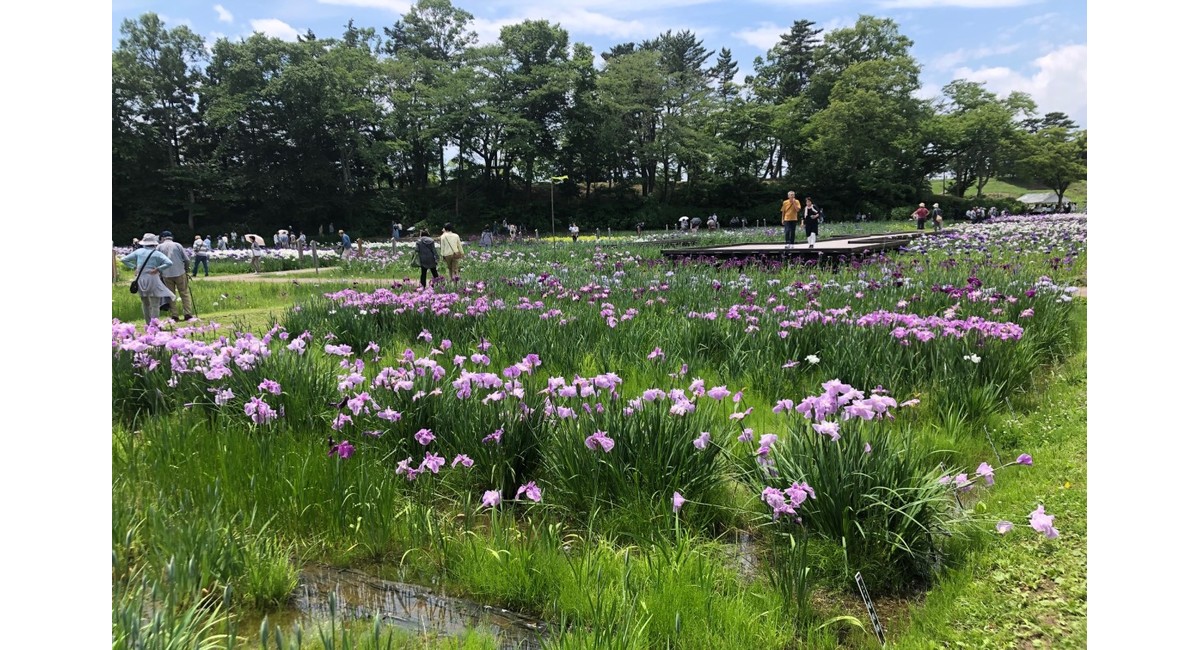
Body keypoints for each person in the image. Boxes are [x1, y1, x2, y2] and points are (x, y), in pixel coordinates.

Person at [122, 233, 177, 325]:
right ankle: (154, 325)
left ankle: (148, 324)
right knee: (155, 304)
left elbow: (124, 259)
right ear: (154, 243)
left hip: (140, 279)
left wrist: (134, 267)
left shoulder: (138, 252)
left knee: (145, 303)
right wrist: (158, 269)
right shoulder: (157, 254)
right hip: (153, 279)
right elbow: (169, 263)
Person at [156, 231, 194, 321]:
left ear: (162, 238)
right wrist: (186, 270)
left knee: (171, 295)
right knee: (184, 293)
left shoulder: (159, 247)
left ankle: (174, 315)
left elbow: (157, 261)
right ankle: (187, 313)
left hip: (166, 274)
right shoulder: (178, 245)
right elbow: (186, 259)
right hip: (180, 272)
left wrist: (160, 272)